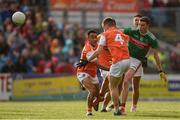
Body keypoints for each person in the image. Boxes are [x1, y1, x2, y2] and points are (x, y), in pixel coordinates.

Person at [121, 16, 167, 114]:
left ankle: (133, 106)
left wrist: (160, 70)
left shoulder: (152, 39)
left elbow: (156, 55)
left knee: (135, 86)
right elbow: (118, 31)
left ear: (148, 26)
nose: (140, 27)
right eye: (139, 24)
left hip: (138, 61)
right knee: (123, 81)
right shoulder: (133, 30)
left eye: (142, 25)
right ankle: (121, 106)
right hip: (125, 58)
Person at [88, 17, 130, 115]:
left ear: (106, 25)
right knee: (117, 85)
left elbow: (98, 50)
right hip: (127, 61)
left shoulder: (105, 34)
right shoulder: (123, 34)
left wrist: (88, 59)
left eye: (103, 27)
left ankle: (116, 110)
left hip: (117, 62)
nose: (103, 29)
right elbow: (125, 47)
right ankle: (106, 101)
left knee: (112, 86)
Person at [76, 30, 100, 116]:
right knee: (92, 91)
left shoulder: (98, 45)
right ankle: (89, 111)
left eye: (95, 37)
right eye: (92, 37)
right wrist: (109, 68)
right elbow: (98, 63)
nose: (94, 39)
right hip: (83, 72)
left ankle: (95, 102)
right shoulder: (87, 48)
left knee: (99, 96)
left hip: (93, 73)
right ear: (88, 38)